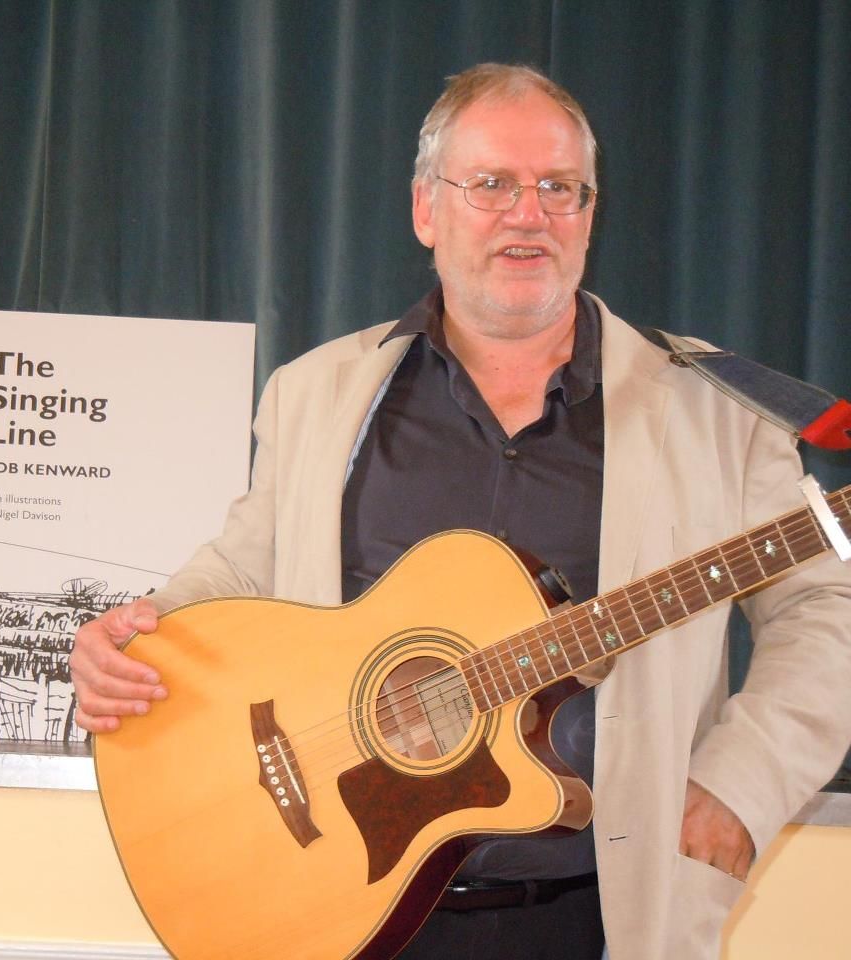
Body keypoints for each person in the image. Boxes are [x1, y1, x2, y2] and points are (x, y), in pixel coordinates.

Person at [70, 63, 851, 960]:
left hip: (604, 917)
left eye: (559, 187)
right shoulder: (317, 394)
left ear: (590, 216)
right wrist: (144, 639)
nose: (529, 213)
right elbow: (241, 572)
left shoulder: (718, 412)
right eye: (491, 185)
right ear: (426, 211)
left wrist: (740, 790)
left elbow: (823, 607)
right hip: (342, 917)